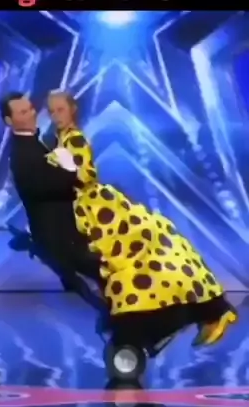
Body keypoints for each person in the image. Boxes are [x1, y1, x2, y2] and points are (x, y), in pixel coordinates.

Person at [46, 90, 237, 348]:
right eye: (52, 111)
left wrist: (58, 166)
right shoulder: (62, 138)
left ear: (72, 109)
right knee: (135, 257)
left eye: (60, 109)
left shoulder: (75, 139)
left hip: (95, 206)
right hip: (87, 208)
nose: (56, 116)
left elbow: (85, 174)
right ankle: (206, 311)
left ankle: (209, 310)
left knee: (142, 253)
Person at [0, 92, 108, 320]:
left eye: (31, 108)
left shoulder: (42, 143)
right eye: (23, 112)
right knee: (103, 288)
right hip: (61, 240)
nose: (32, 114)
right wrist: (70, 171)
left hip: (71, 232)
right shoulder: (23, 153)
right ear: (9, 121)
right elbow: (51, 186)